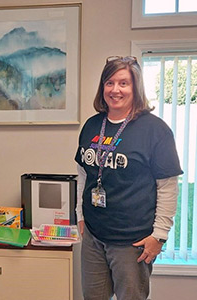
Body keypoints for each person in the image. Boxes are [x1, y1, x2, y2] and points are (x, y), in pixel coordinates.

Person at [74, 56, 182, 300]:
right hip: (94, 234)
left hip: (132, 241)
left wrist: (159, 235)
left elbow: (167, 186)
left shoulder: (155, 130)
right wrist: (80, 215)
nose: (115, 90)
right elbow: (83, 173)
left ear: (136, 88)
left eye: (124, 83)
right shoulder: (92, 125)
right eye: (109, 83)